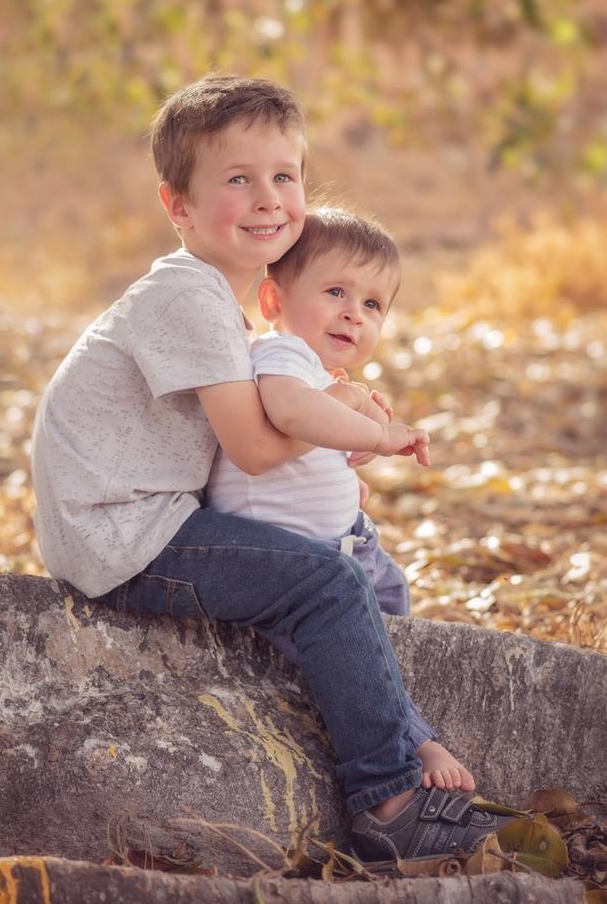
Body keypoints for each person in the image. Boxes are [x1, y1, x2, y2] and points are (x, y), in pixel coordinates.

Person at [31, 74, 511, 869]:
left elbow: (252, 434)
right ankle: (388, 801)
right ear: (176, 204)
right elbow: (257, 446)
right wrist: (362, 422)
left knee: (347, 557)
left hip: (145, 515)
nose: (269, 198)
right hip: (123, 533)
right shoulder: (185, 296)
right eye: (238, 179)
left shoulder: (217, 301)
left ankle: (401, 728)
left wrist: (335, 425)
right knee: (324, 580)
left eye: (285, 176)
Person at [206, 206, 473, 794]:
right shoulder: (281, 358)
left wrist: (349, 455)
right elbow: (291, 414)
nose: (355, 313)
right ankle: (413, 740)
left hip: (347, 543)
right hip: (293, 560)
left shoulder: (322, 375)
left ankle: (393, 692)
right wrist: (378, 435)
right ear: (274, 302)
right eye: (336, 292)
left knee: (391, 601)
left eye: (374, 305)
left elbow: (312, 440)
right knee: (351, 650)